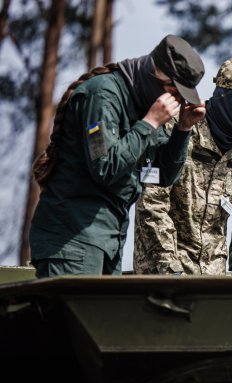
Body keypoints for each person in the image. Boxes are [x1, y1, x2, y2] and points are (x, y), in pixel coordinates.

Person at [29, 35, 206, 277]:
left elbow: (163, 175)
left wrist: (183, 129)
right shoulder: (103, 95)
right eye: (172, 91)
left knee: (100, 316)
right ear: (154, 74)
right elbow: (106, 168)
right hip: (72, 240)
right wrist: (149, 123)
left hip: (108, 242)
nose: (174, 101)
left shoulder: (144, 105)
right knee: (73, 316)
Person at [133, 57, 232, 275]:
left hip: (213, 277)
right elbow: (152, 204)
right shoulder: (177, 129)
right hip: (162, 273)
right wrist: (169, 269)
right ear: (224, 97)